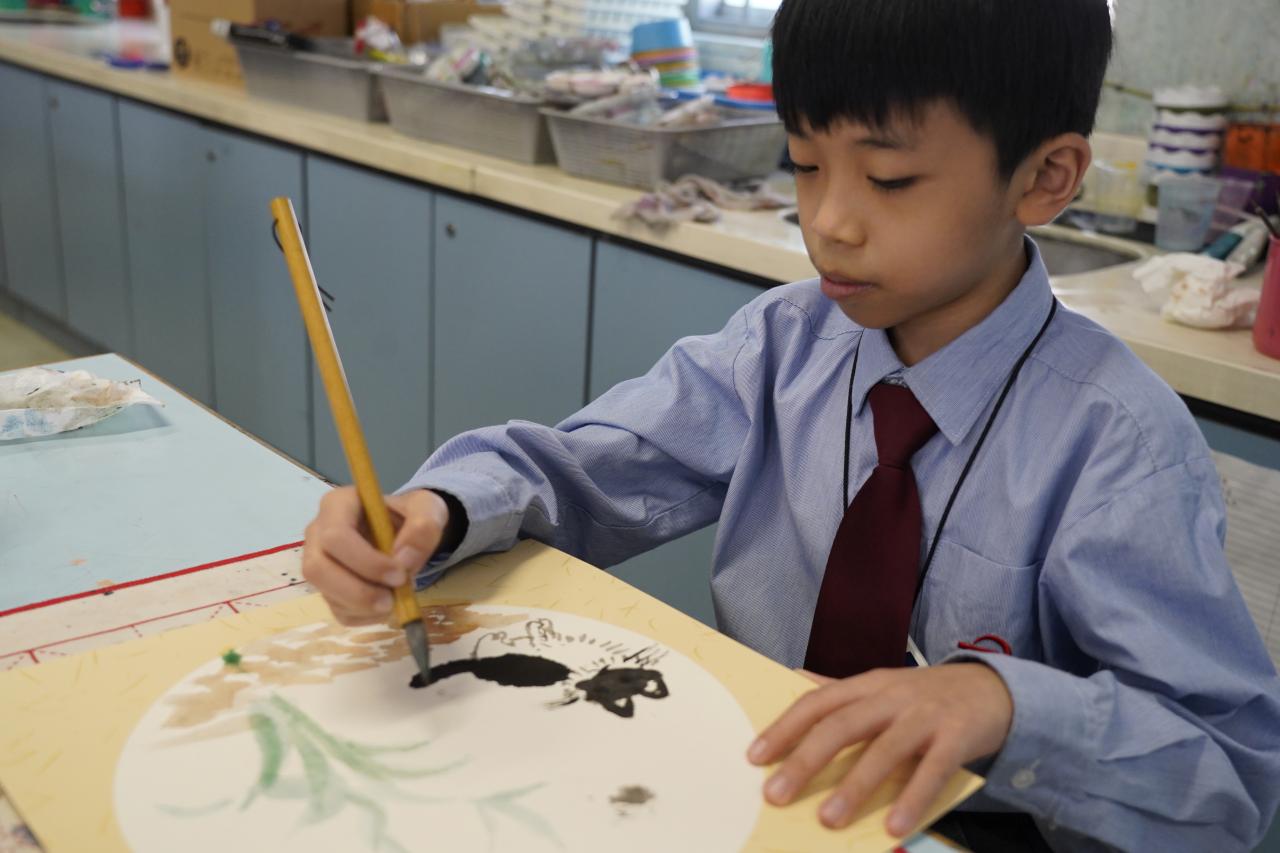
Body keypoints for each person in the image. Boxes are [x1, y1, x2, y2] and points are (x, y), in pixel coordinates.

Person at [300, 0, 1280, 848]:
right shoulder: (783, 344)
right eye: (805, 164)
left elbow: (1229, 776)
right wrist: (438, 509)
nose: (828, 223)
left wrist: (1006, 703)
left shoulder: (1117, 447)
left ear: (1045, 178)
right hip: (758, 787)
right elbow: (584, 467)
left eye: (887, 180)